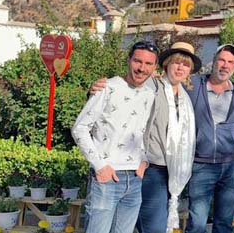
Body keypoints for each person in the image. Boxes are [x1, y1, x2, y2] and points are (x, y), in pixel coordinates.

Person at [72, 41, 158, 233]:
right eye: (137, 61)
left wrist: (144, 160)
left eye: (148, 64)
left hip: (135, 179)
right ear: (129, 60)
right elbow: (80, 128)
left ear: (155, 67)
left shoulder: (149, 94)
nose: (142, 68)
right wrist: (100, 166)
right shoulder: (107, 88)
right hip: (107, 178)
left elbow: (142, 130)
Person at [138, 42, 200, 233]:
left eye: (186, 64)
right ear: (166, 64)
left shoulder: (185, 97)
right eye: (176, 62)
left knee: (150, 223)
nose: (181, 68)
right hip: (152, 168)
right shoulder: (152, 86)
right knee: (154, 226)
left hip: (173, 171)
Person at [185, 44, 234, 233]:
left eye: (230, 62)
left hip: (230, 167)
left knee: (224, 224)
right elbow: (167, 87)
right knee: (197, 224)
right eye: (222, 60)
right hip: (201, 165)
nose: (225, 65)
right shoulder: (193, 85)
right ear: (214, 61)